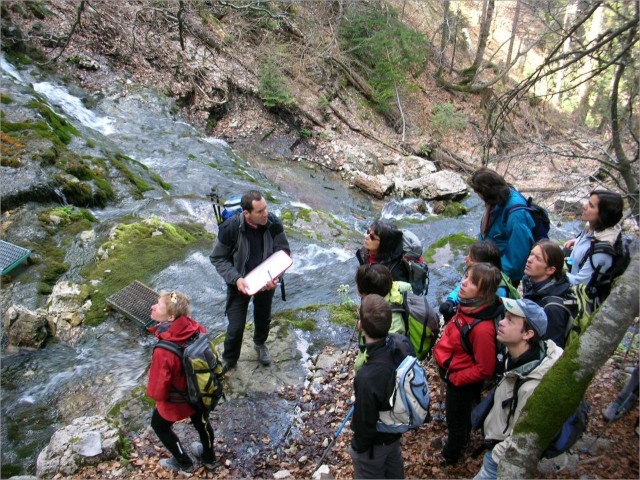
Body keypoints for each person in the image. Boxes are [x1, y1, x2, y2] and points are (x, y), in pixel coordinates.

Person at [474, 298, 562, 480]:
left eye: (510, 320)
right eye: (504, 317)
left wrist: (495, 455)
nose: (502, 322)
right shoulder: (517, 355)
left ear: (528, 334)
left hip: (499, 458)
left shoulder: (532, 386)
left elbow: (522, 438)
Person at [210, 190, 291, 372]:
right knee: (235, 326)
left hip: (267, 279)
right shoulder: (230, 228)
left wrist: (276, 278)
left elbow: (284, 253)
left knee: (263, 317)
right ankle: (230, 359)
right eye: (260, 211)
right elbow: (217, 258)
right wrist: (236, 279)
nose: (265, 214)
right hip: (239, 282)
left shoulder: (273, 223)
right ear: (247, 213)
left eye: (266, 208)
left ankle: (260, 344)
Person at [433, 262, 504, 465]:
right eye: (466, 277)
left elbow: (486, 368)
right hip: (457, 372)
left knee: (455, 419)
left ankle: (451, 455)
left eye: (472, 282)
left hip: (461, 381)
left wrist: (455, 378)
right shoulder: (470, 307)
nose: (464, 283)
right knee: (461, 414)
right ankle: (463, 437)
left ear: (483, 292)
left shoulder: (482, 329)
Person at [146, 291, 216, 473]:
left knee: (159, 426)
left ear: (170, 317)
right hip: (200, 392)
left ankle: (184, 462)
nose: (153, 306)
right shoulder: (198, 328)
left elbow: (157, 391)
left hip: (179, 402)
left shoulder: (164, 350)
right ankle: (209, 458)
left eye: (158, 305)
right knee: (202, 424)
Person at [349, 294, 405, 479]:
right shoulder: (401, 344)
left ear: (360, 326)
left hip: (375, 445)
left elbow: (365, 423)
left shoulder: (367, 377)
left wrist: (358, 448)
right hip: (395, 433)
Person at [468, 167, 535, 286]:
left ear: (487, 192)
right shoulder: (496, 201)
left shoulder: (516, 215)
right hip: (490, 266)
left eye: (478, 193)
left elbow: (517, 255)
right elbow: (486, 233)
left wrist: (494, 276)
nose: (478, 197)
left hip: (502, 275)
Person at [439, 240, 516, 323]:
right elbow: (461, 287)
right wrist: (451, 301)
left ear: (484, 266)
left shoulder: (498, 292)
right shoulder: (474, 273)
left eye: (471, 258)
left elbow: (485, 318)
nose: (465, 258)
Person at [563, 190, 623, 287]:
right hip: (569, 273)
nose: (584, 206)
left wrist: (553, 271)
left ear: (603, 215)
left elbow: (578, 284)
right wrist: (577, 241)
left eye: (591, 206)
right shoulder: (593, 228)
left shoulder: (601, 253)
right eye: (588, 202)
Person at [522, 240, 573, 348]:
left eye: (538, 259)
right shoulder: (530, 281)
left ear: (550, 270)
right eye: (531, 254)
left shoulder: (552, 308)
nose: (529, 260)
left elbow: (553, 349)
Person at [355, 220, 411, 284]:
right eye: (368, 232)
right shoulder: (365, 252)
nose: (366, 237)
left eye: (372, 237)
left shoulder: (394, 271)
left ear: (384, 244)